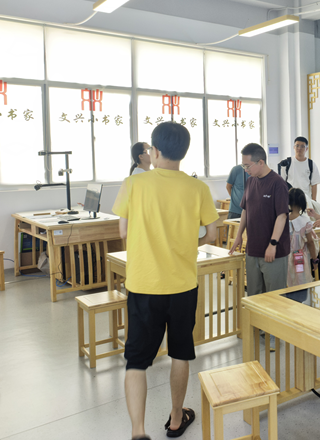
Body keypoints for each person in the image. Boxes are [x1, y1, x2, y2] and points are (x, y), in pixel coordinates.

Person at [113, 122, 219, 440]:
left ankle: (138, 431)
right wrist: (189, 244)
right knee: (180, 352)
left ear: (155, 151)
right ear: (183, 152)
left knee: (136, 360)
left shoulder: (134, 184)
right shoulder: (198, 188)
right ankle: (176, 418)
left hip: (143, 284)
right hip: (182, 285)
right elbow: (212, 234)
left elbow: (123, 232)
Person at [230, 143, 290, 296]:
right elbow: (245, 210)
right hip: (253, 249)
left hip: (273, 251)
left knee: (274, 297)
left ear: (261, 162)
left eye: (247, 166)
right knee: (254, 295)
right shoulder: (250, 181)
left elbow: (282, 216)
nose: (246, 170)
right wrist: (239, 235)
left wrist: (272, 244)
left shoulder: (277, 183)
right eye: (243, 166)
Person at [287, 188, 318, 286]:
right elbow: (310, 242)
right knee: (301, 281)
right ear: (302, 203)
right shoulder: (306, 221)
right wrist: (314, 259)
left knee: (288, 282)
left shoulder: (283, 219)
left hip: (286, 257)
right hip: (300, 257)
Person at [279, 136, 320, 202]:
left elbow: (314, 184)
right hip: (290, 199)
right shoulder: (287, 163)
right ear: (294, 147)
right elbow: (282, 183)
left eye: (302, 146)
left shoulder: (311, 164)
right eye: (297, 146)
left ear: (306, 149)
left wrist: (314, 201)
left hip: (306, 199)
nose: (299, 148)